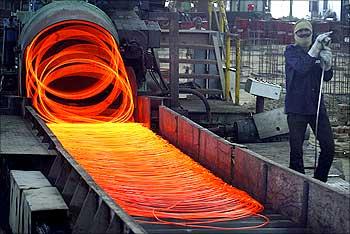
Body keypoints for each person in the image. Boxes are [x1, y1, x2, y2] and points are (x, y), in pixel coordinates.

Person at [284, 19, 334, 182]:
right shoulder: (290, 51)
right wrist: (315, 49)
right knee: (296, 152)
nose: (304, 34)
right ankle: (298, 183)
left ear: (312, 33)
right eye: (300, 32)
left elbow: (326, 77)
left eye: (307, 31)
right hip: (296, 108)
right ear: (295, 35)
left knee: (329, 147)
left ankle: (320, 182)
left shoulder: (319, 50)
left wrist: (327, 64)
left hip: (316, 106)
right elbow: (302, 68)